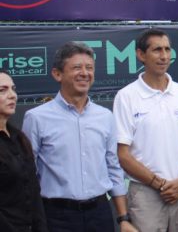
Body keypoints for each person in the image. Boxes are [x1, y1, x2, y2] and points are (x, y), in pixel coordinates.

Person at [22, 42, 136, 231]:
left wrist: (123, 217)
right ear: (57, 74)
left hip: (100, 213)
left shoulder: (105, 116)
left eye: (89, 68)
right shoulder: (36, 118)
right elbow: (27, 174)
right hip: (56, 216)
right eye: (76, 67)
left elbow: (113, 167)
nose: (85, 73)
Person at [113, 29, 178, 231]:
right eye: (157, 50)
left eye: (167, 49)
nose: (164, 56)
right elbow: (123, 155)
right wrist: (158, 184)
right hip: (146, 194)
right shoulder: (126, 96)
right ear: (141, 54)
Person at [0, 70, 47, 231]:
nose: (12, 95)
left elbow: (33, 193)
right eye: (3, 90)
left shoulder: (19, 138)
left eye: (13, 88)